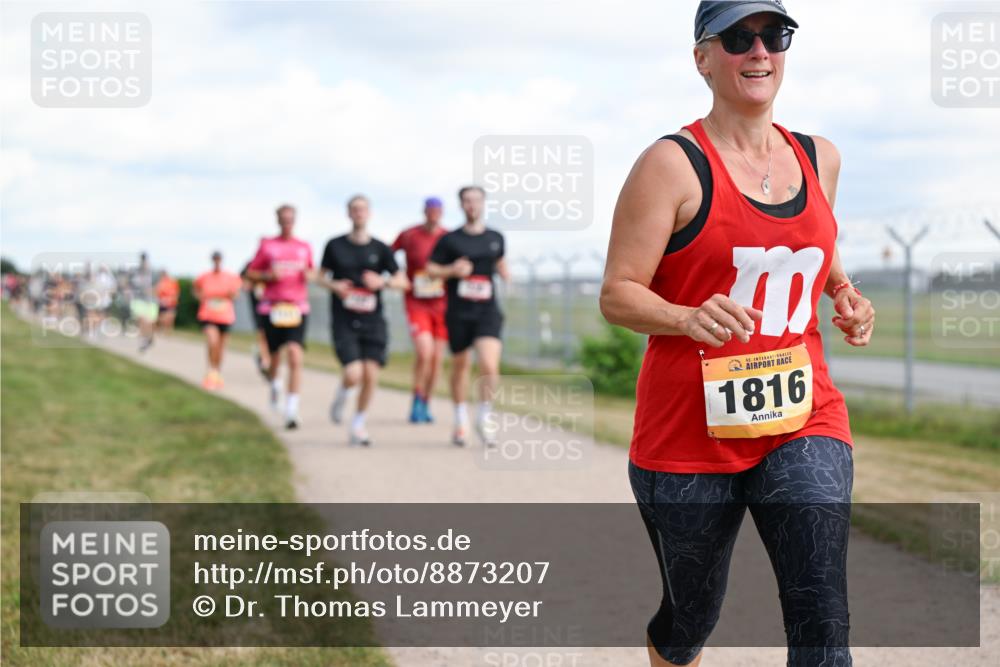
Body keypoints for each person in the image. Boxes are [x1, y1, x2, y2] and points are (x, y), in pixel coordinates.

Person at [599, 3, 876, 666]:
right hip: (687, 433)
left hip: (804, 416)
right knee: (690, 616)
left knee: (822, 614)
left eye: (774, 36)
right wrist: (683, 315)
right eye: (737, 38)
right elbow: (617, 292)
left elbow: (813, 240)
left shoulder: (819, 157)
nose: (759, 51)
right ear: (703, 57)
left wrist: (844, 292)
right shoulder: (670, 164)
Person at [320, 195, 408, 446]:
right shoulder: (335, 245)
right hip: (344, 319)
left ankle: (358, 424)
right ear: (348, 213)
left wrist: (383, 282)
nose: (359, 213)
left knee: (371, 374)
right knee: (353, 373)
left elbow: (403, 282)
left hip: (373, 320)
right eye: (354, 209)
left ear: (369, 213)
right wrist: (334, 285)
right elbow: (320, 276)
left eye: (363, 209)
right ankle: (343, 393)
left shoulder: (381, 249)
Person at [426, 186, 509, 447]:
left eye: (476, 200)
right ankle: (460, 419)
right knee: (460, 366)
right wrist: (452, 270)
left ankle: (484, 416)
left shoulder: (495, 237)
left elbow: (499, 261)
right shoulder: (450, 240)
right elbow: (430, 268)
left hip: (487, 310)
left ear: (483, 203)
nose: (472, 205)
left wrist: (506, 273)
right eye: (467, 201)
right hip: (459, 311)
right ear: (461, 205)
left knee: (489, 365)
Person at [245, 204, 315, 429]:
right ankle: (275, 384)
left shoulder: (304, 247)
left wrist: (310, 275)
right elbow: (250, 273)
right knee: (275, 356)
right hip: (272, 308)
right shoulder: (268, 246)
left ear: (295, 221)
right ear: (277, 221)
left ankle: (292, 410)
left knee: (295, 354)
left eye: (290, 219)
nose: (287, 223)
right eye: (283, 219)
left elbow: (312, 272)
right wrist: (267, 275)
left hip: (297, 308)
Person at [391, 197, 449, 423]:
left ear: (441, 213)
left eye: (437, 210)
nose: (433, 213)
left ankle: (426, 402)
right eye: (430, 210)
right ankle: (416, 397)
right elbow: (388, 255)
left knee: (437, 358)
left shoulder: (448, 237)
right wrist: (398, 276)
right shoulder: (409, 235)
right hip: (416, 302)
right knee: (424, 352)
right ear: (424, 211)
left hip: (442, 304)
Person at [193, 251, 243, 390]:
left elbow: (236, 294)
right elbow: (196, 289)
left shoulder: (230, 277)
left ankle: (217, 372)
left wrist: (231, 295)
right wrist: (200, 297)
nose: (217, 262)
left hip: (225, 316)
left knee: (221, 347)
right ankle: (210, 370)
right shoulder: (204, 276)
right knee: (212, 341)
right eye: (214, 259)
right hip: (208, 315)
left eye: (218, 259)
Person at [241, 258, 272, 377]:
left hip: (274, 306)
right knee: (262, 333)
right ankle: (265, 361)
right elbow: (243, 279)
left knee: (273, 337)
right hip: (258, 306)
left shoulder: (275, 262)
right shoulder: (251, 264)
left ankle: (263, 356)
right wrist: (248, 285)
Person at [128, 252, 158, 352]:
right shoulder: (135, 272)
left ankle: (149, 337)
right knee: (141, 319)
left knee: (149, 322)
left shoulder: (153, 272)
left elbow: (157, 286)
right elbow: (130, 285)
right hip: (139, 300)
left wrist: (152, 291)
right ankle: (143, 340)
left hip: (151, 301)